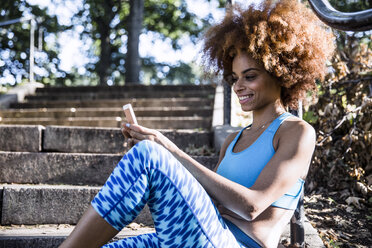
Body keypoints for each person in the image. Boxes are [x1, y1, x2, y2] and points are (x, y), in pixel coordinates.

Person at [59, 0, 335, 247]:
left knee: (149, 154)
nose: (239, 86)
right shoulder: (232, 141)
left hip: (237, 244)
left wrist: (169, 151)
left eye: (250, 76)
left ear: (281, 73)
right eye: (234, 77)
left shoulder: (297, 132)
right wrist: (164, 165)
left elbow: (252, 207)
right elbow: (208, 202)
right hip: (202, 232)